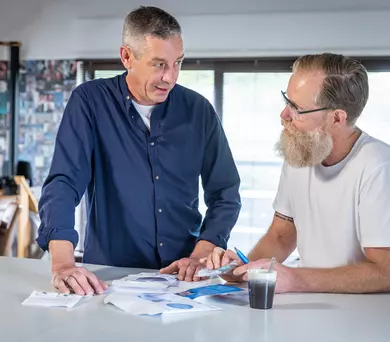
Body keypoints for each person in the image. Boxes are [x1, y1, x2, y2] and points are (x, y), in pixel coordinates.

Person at [37, 6, 241, 296]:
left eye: (178, 63)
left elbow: (226, 193)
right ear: (127, 57)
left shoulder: (199, 111)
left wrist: (201, 255)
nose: (171, 77)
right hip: (111, 278)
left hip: (183, 279)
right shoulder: (90, 102)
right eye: (159, 64)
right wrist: (62, 263)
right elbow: (64, 183)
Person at [204, 53, 390, 294]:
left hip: (363, 316)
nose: (284, 115)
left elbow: (384, 271)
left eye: (296, 108)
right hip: (313, 307)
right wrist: (241, 269)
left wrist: (296, 279)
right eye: (286, 100)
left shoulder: (378, 166)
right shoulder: (303, 151)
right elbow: (281, 236)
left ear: (336, 118)